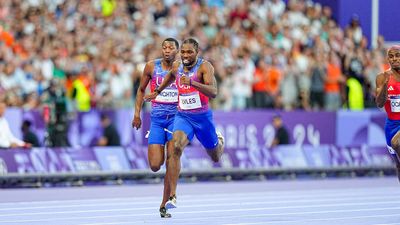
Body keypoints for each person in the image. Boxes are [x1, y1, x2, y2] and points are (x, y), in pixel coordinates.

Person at [144, 38, 225, 211]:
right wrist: (157, 91)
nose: (186, 55)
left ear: (197, 52)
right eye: (183, 52)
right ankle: (172, 196)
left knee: (215, 156)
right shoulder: (177, 67)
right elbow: (168, 78)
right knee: (176, 148)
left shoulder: (205, 67)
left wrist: (193, 83)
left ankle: (219, 142)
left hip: (202, 119)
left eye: (190, 52)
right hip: (183, 116)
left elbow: (214, 92)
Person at [132, 38, 179, 218]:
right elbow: (141, 90)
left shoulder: (181, 68)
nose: (167, 50)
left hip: (176, 119)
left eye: (171, 48)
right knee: (154, 165)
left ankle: (165, 202)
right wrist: (137, 114)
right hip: (157, 120)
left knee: (171, 159)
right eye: (164, 47)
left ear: (177, 50)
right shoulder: (151, 67)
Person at [376, 45, 400, 181]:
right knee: (398, 165)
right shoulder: (382, 77)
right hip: (391, 125)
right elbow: (379, 103)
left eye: (397, 55)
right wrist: (385, 85)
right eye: (391, 56)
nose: (394, 59)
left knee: (398, 142)